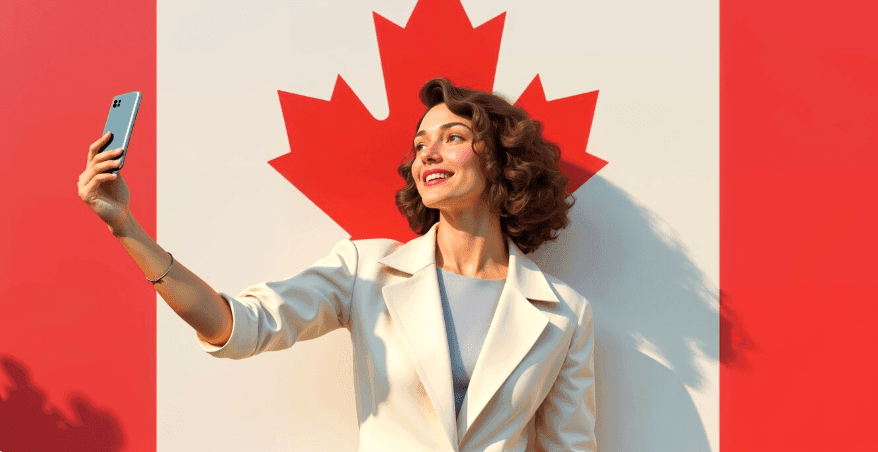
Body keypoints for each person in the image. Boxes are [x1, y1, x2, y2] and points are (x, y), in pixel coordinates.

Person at [78, 77, 596, 452]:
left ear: (502, 160)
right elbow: (236, 326)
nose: (427, 155)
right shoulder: (365, 269)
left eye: (453, 138)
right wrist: (126, 228)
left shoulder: (564, 313)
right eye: (420, 145)